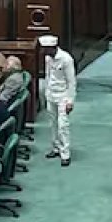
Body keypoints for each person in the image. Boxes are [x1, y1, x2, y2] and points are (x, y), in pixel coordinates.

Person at [40, 34, 76, 166]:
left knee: (63, 126)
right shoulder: (48, 58)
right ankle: (56, 148)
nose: (43, 51)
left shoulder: (66, 59)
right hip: (51, 94)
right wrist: (46, 93)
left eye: (45, 49)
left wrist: (70, 101)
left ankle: (65, 154)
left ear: (52, 48)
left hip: (63, 96)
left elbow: (71, 82)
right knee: (53, 123)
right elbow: (48, 75)